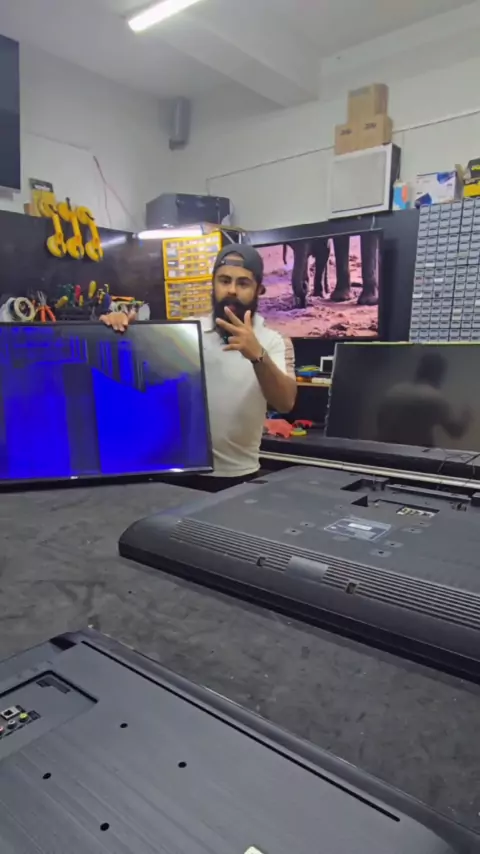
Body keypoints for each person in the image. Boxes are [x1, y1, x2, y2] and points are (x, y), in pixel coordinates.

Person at [101, 244, 296, 490]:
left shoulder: (274, 341)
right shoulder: (184, 332)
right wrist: (119, 331)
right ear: (213, 285)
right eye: (224, 280)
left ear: (259, 290)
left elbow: (285, 403)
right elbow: (139, 382)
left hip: (238, 476)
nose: (232, 290)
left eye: (243, 283)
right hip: (176, 472)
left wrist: (258, 356)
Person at [377, 352, 472, 448]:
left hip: (383, 451)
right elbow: (455, 432)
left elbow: (380, 423)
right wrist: (466, 415)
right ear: (439, 374)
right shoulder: (435, 398)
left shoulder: (394, 390)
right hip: (412, 454)